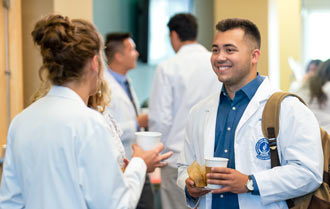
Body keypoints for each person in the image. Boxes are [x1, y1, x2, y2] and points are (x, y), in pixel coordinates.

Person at [0, 14, 172, 209]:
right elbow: (116, 205)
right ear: (95, 63)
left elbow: (10, 202)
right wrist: (140, 164)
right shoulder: (89, 123)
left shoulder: (22, 121)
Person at [176, 18, 323, 209]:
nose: (219, 57)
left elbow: (309, 172)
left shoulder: (288, 108)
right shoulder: (199, 112)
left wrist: (250, 182)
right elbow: (183, 167)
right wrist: (190, 187)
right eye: (215, 50)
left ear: (254, 56)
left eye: (230, 50)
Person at [148, 13, 221, 209]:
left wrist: (156, 152)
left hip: (177, 160)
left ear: (173, 35)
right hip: (210, 158)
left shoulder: (167, 67)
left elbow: (160, 118)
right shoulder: (215, 63)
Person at [103, 32, 155, 209]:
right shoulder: (104, 86)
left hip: (136, 160)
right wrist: (137, 122)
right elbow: (107, 127)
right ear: (118, 56)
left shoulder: (126, 82)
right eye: (131, 49)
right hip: (121, 164)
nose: (137, 53)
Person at [296, 59, 330, 132]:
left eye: (314, 70)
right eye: (310, 69)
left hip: (311, 134)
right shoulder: (326, 88)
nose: (311, 73)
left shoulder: (305, 87)